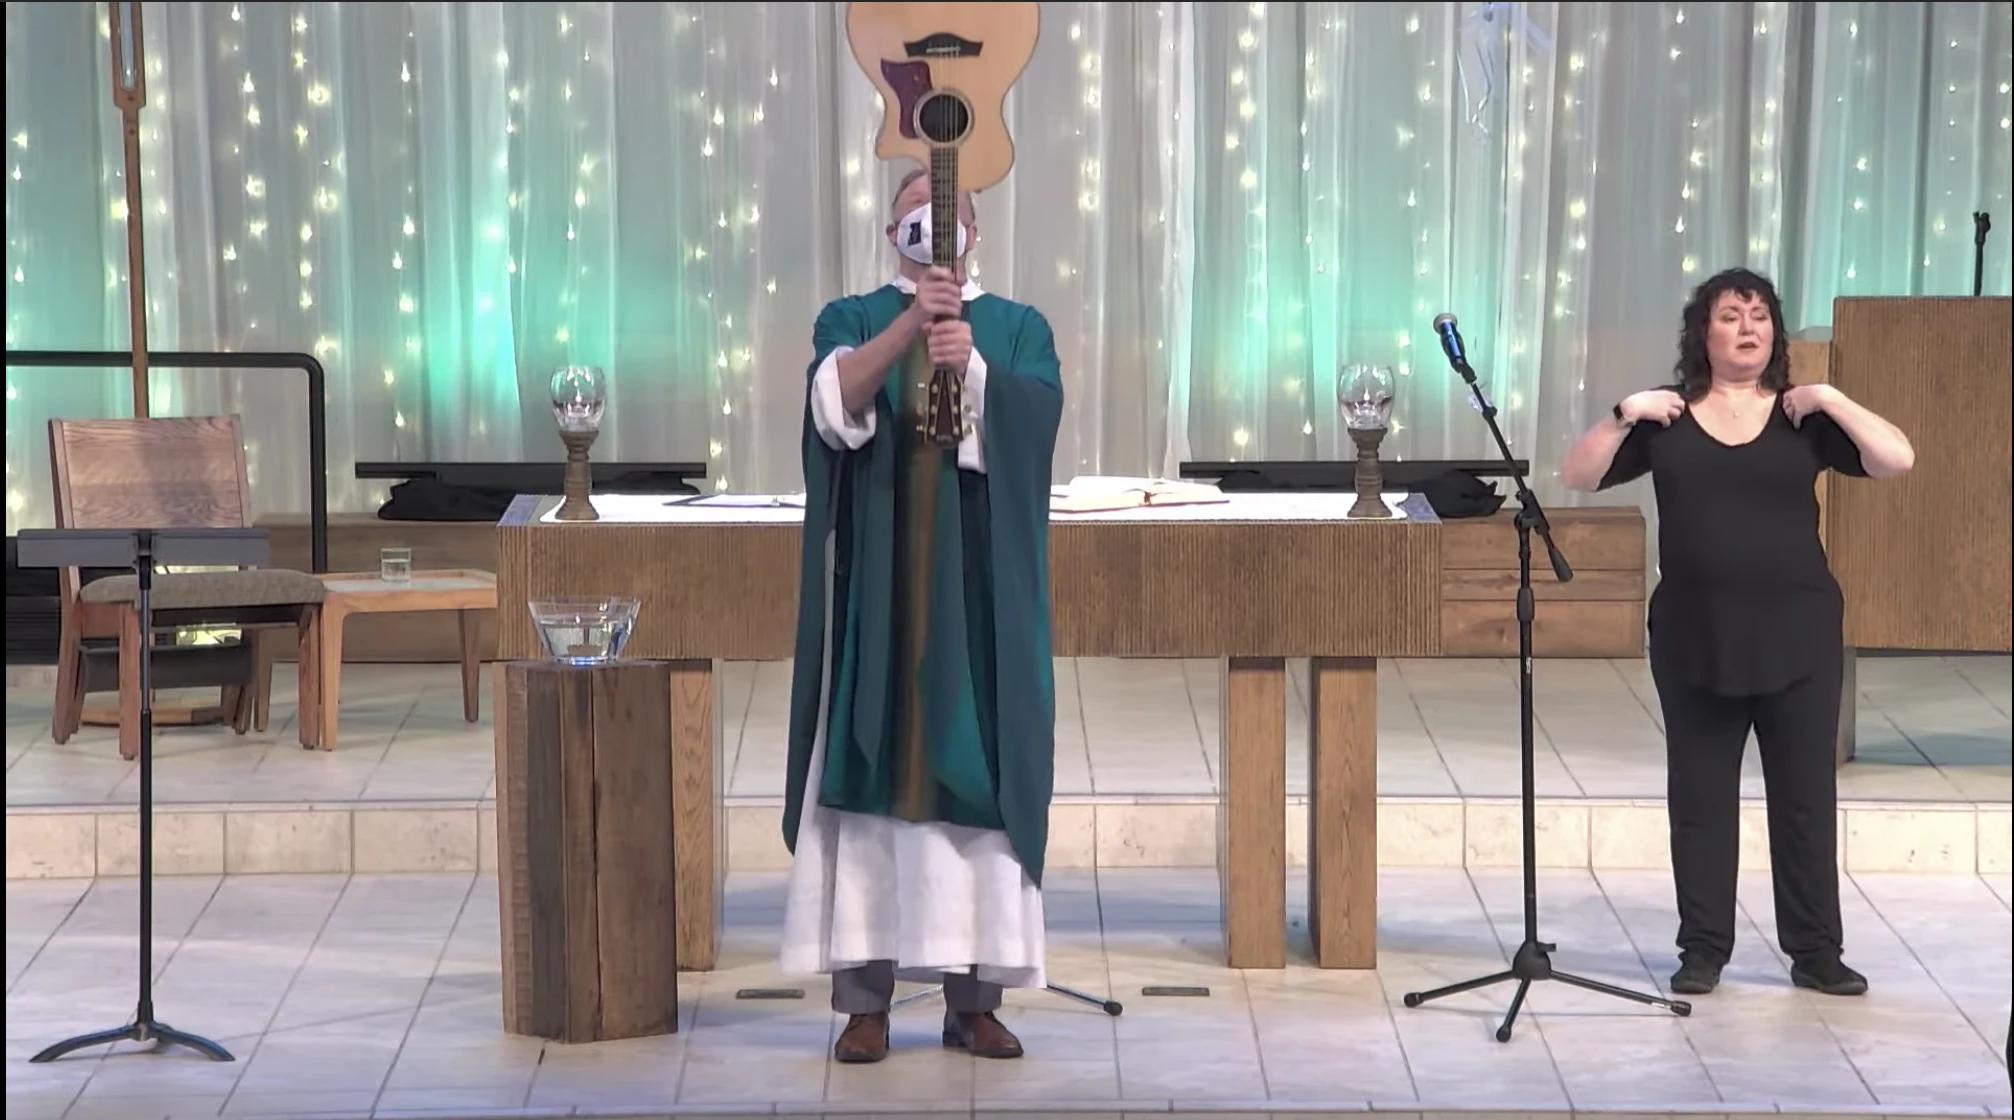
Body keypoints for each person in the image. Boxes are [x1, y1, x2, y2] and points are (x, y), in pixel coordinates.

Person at [1560, 267, 1914, 999]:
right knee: (1700, 798)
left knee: (1805, 797)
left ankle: (1816, 951)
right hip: (1696, 637)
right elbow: (1578, 476)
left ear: (1774, 334)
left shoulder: (1802, 418)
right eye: (1730, 315)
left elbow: (1896, 459)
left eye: (1759, 316)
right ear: (1704, 333)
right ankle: (1703, 950)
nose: (1748, 328)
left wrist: (1832, 397)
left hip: (1799, 635)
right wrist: (1623, 411)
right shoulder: (1667, 420)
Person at [778, 167, 1064, 1064]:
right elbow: (832, 406)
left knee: (973, 784)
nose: (929, 230)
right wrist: (911, 323)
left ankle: (972, 1003)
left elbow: (1035, 419)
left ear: (972, 230)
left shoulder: (1018, 327)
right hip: (883, 598)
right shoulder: (854, 317)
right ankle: (866, 1004)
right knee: (869, 781)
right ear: (889, 228)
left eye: (943, 218)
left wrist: (968, 360)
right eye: (912, 216)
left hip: (973, 599)